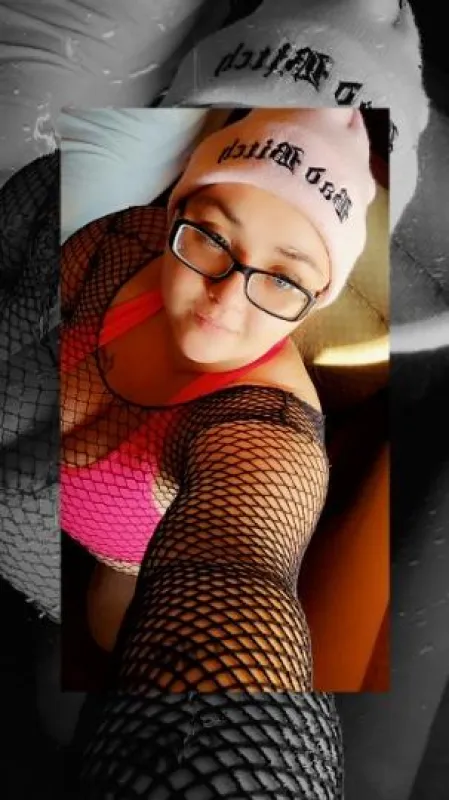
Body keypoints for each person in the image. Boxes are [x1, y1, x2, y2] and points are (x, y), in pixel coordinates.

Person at [61, 107, 376, 687]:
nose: (226, 300)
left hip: (121, 587)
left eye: (283, 279)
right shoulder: (122, 242)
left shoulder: (268, 428)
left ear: (314, 302)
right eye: (211, 237)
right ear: (175, 215)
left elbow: (247, 554)